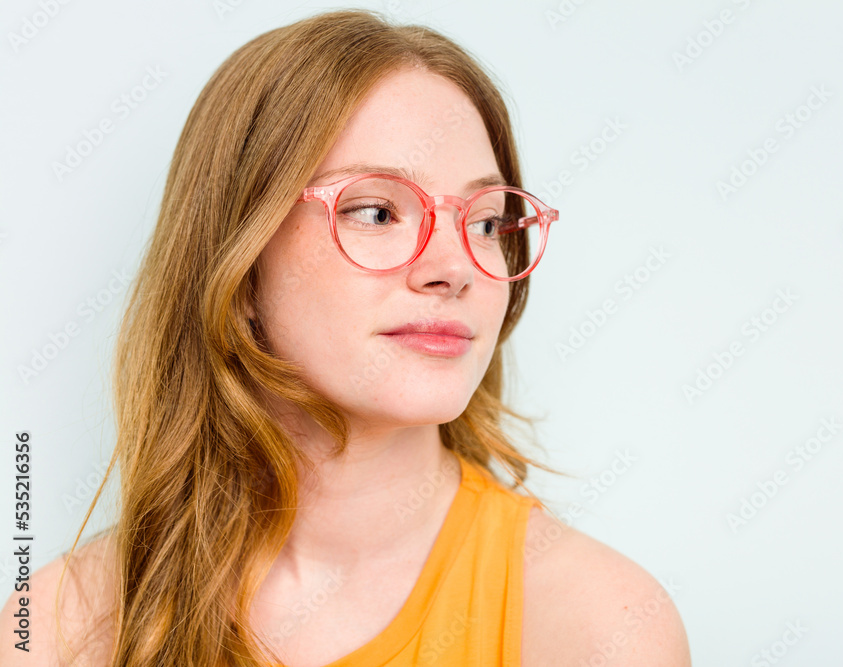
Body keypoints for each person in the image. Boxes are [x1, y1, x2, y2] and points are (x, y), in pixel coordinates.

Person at [2, 9, 690, 666]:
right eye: (378, 210)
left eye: (486, 221)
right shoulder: (57, 629)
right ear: (240, 270)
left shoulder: (603, 625)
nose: (456, 267)